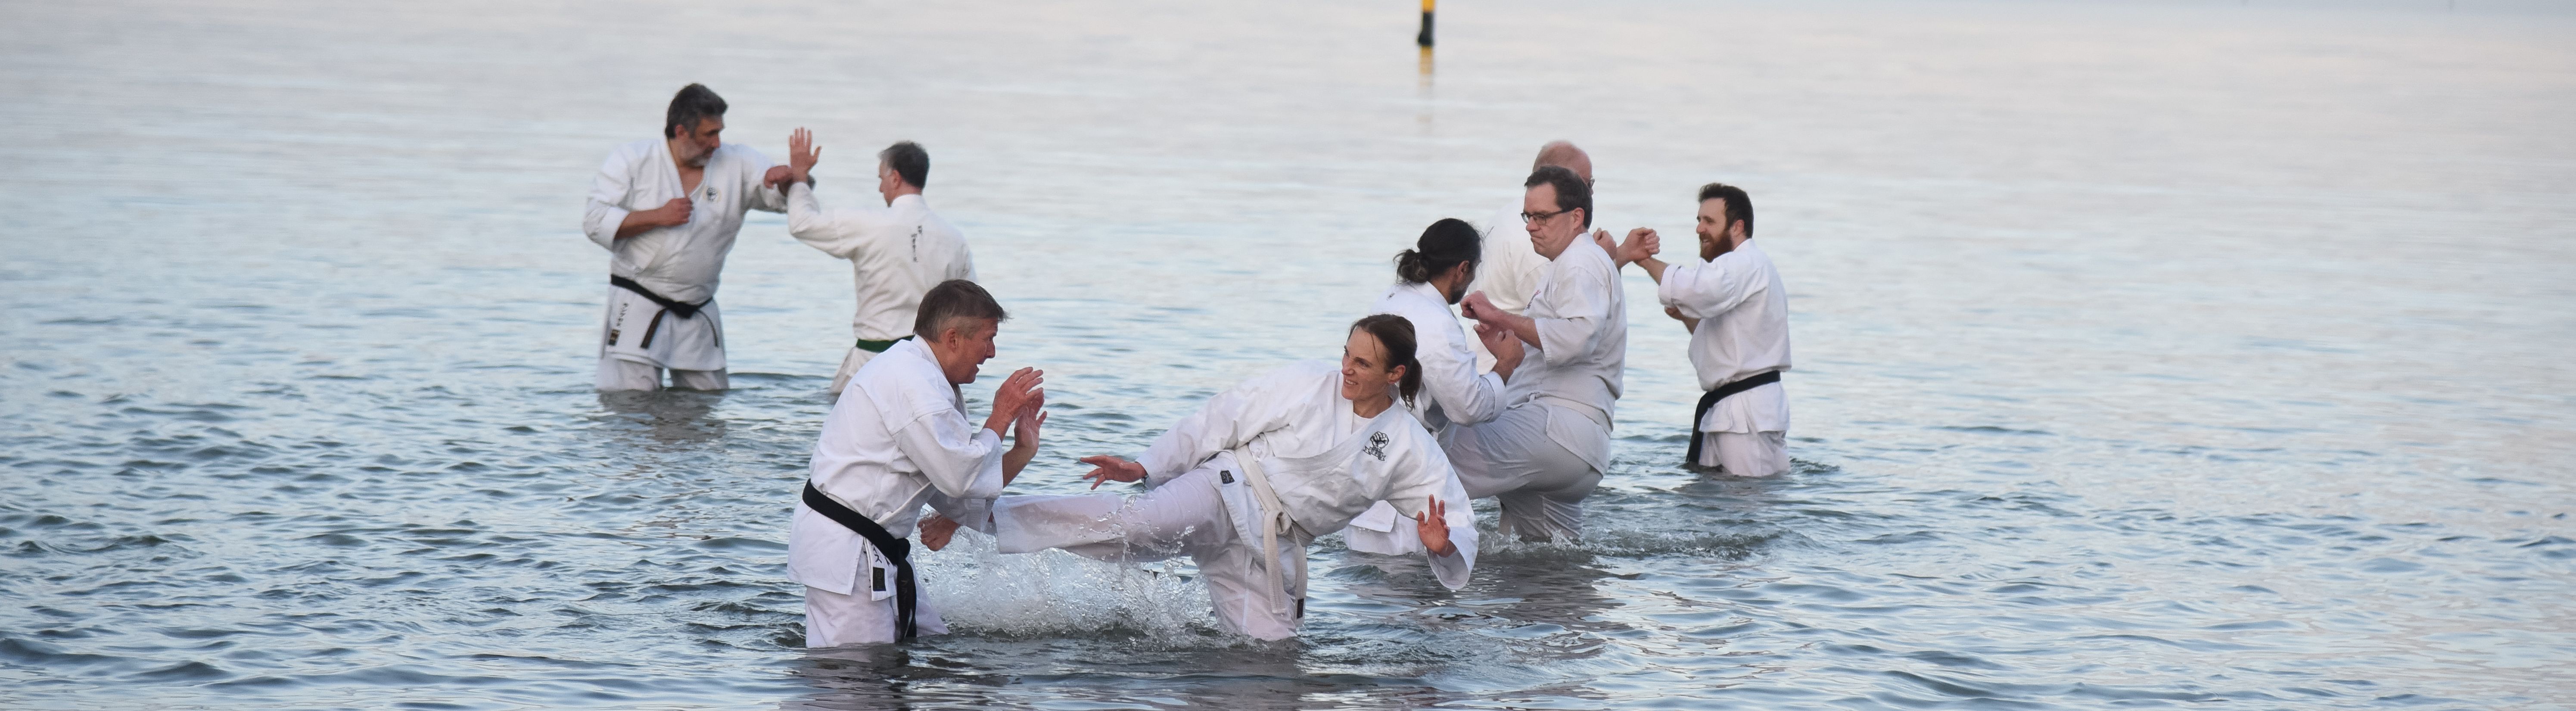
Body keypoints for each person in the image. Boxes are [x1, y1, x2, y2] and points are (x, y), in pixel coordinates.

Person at [968, 315, 1479, 640]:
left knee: (1272, 664)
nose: (1345, 367)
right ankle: (981, 514)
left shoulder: (1411, 446)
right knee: (1133, 525)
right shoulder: (1307, 381)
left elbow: (1455, 517)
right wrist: (1146, 465)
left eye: (1361, 363)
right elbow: (1223, 417)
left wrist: (1442, 546)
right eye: (1346, 353)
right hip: (1225, 488)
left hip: (1270, 545)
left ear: (1395, 374)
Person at [787, 280, 1047, 647]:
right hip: (848, 555)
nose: (991, 353)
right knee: (853, 685)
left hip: (873, 550)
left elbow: (960, 485)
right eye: (988, 339)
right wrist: (1000, 417)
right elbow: (961, 477)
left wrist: (1023, 450)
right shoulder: (915, 385)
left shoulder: (926, 377)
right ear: (953, 338)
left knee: (936, 650)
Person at [1450, 166, 1627, 542]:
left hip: (1560, 430)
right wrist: (1503, 339)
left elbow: (1576, 339)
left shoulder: (1582, 262)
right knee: (1552, 571)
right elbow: (1561, 340)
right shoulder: (1569, 264)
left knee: (1429, 457)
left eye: (1543, 217)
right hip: (1576, 447)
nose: (1531, 226)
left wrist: (1500, 316)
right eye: (1528, 217)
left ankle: (1387, 569)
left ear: (1577, 217)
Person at [581, 83, 788, 391]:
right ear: (681, 132)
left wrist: (789, 181)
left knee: (708, 403)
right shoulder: (633, 160)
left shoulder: (737, 162)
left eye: (720, 132)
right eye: (709, 135)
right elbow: (594, 221)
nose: (718, 143)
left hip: (699, 305)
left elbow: (781, 195)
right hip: (639, 300)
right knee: (629, 410)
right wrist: (657, 216)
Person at [1345, 218, 1524, 555]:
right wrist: (1505, 365)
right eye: (1474, 272)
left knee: (1366, 597)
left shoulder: (1391, 297)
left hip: (1367, 482)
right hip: (1407, 498)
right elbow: (1468, 408)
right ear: (1462, 269)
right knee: (1415, 598)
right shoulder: (1437, 323)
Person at [776, 128, 977, 398]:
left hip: (871, 363)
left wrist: (800, 179)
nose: (880, 187)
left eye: (881, 178)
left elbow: (802, 223)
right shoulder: (954, 239)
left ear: (895, 178)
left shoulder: (867, 225)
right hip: (928, 370)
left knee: (841, 434)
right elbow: (972, 309)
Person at [1611, 183, 1792, 477]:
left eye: (1709, 221)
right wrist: (1687, 318)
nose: (1699, 229)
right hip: (1731, 412)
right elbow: (1730, 340)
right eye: (1698, 220)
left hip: (1747, 414)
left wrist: (1642, 259)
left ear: (1738, 227)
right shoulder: (1744, 268)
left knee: (1748, 506)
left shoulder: (1745, 262)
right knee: (1716, 508)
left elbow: (1695, 289)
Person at [1463, 141, 1613, 369]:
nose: (1589, 193)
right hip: (1501, 372)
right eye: (1583, 184)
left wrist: (1616, 258)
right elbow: (1565, 331)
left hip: (1496, 369)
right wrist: (1610, 260)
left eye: (1590, 184)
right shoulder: (1537, 241)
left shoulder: (1520, 216)